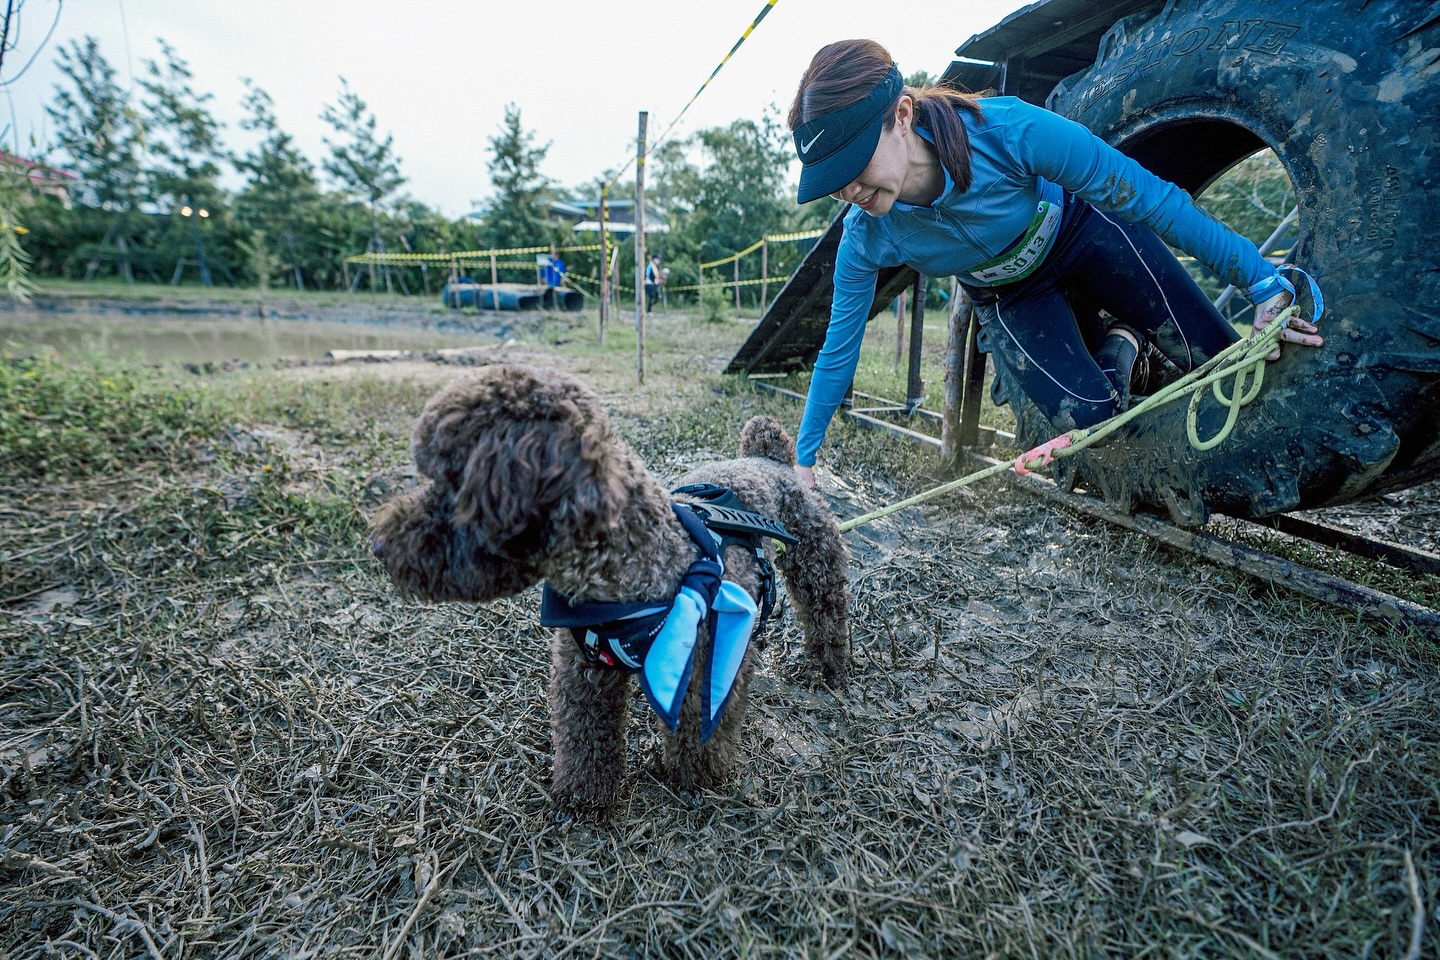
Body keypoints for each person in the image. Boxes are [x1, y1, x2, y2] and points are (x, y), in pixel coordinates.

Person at [786, 39, 1324, 490]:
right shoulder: (865, 236)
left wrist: (1259, 279)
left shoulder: (1009, 130)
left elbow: (1148, 197)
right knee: (1090, 426)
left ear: (901, 114)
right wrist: (804, 462)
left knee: (1221, 358)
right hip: (1010, 295)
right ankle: (1122, 345)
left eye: (855, 164)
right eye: (832, 180)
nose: (849, 189)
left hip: (1083, 233)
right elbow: (840, 345)